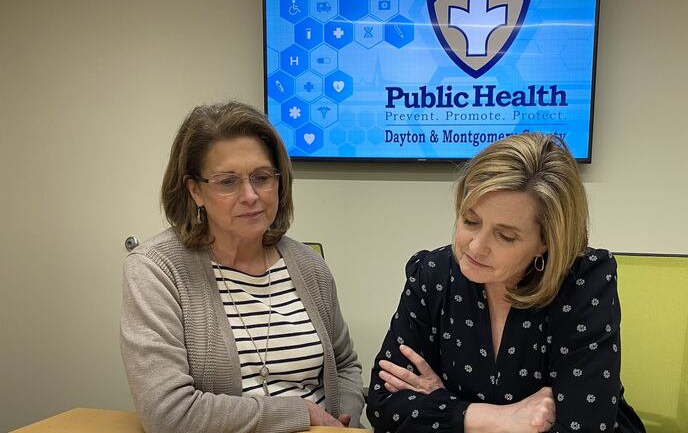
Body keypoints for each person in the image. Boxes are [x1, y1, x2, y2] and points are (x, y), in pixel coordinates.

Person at [366, 133, 645, 433]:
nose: (474, 247)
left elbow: (581, 426)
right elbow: (383, 406)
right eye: (470, 221)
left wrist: (439, 404)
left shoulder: (582, 282)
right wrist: (498, 418)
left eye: (506, 236)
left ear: (546, 243)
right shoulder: (433, 274)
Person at [120, 101, 364, 433]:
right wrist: (299, 413)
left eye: (262, 177)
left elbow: (346, 365)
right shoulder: (157, 270)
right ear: (195, 191)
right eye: (227, 182)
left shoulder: (310, 266)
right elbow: (169, 414)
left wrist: (342, 423)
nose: (250, 195)